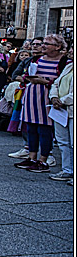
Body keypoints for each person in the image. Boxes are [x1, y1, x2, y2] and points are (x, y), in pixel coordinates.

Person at [15, 34, 67, 172]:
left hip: (48, 98)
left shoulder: (64, 62)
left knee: (45, 130)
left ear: (58, 47)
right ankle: (31, 157)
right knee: (31, 128)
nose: (42, 46)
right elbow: (27, 75)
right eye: (42, 43)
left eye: (47, 44)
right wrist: (27, 77)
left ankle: (43, 160)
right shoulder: (37, 59)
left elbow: (63, 83)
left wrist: (45, 82)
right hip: (32, 96)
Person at [47, 45, 73, 182]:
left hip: (71, 108)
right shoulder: (69, 66)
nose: (71, 51)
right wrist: (54, 97)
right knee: (63, 141)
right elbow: (56, 83)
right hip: (61, 110)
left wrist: (63, 100)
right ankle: (67, 170)